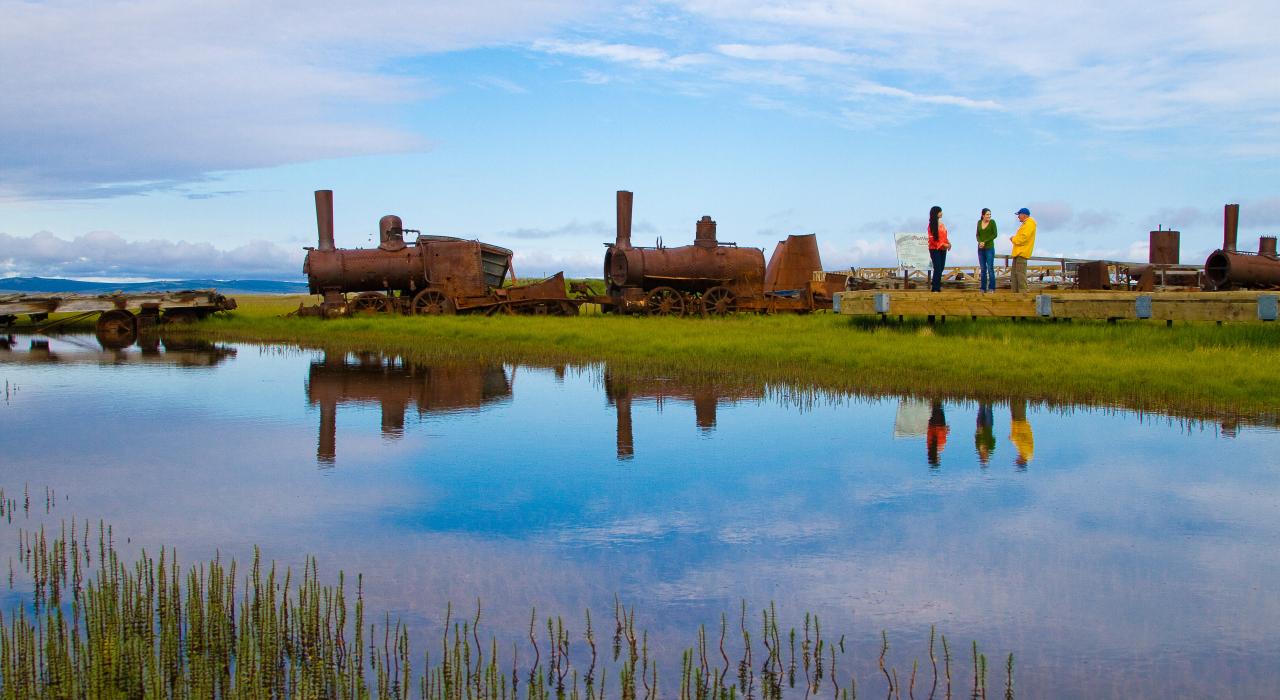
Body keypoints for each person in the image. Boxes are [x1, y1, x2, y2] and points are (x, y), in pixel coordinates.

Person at [1010, 207, 1037, 293]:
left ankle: (1023, 293)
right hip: (1018, 253)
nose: (1018, 217)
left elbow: (1023, 238)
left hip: (1022, 252)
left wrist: (1013, 239)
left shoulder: (1029, 224)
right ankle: (1015, 292)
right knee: (1015, 274)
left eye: (1019, 215)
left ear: (1024, 215)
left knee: (1020, 274)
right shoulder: (1026, 224)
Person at [927, 205, 951, 292]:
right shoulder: (931, 225)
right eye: (940, 211)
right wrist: (943, 244)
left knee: (941, 267)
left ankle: (936, 285)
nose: (942, 213)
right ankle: (935, 288)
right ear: (936, 213)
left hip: (943, 249)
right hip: (934, 249)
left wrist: (948, 243)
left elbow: (944, 236)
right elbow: (932, 239)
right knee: (937, 267)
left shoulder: (942, 224)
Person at [975, 208, 997, 293]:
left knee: (990, 268)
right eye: (987, 214)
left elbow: (994, 234)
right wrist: (980, 242)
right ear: (983, 215)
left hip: (989, 248)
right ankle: (983, 288)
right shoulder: (979, 222)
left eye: (990, 214)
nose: (989, 216)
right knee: (983, 268)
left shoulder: (992, 222)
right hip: (980, 248)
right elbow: (977, 235)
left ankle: (992, 287)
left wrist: (985, 241)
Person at [1009, 399, 1034, 468]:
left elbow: (1019, 440)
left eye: (1017, 460)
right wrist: (1013, 438)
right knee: (1017, 403)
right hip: (1020, 423)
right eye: (1018, 461)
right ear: (1022, 461)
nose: (1017, 458)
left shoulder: (1023, 452)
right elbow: (1021, 439)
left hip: (1018, 424)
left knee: (1014, 403)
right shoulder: (1026, 451)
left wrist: (1012, 438)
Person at [927, 400, 949, 467]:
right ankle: (936, 398)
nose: (939, 458)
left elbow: (932, 435)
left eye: (938, 459)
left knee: (937, 407)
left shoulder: (938, 447)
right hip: (936, 425)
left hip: (939, 425)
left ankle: (937, 398)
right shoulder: (931, 447)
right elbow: (930, 434)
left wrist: (946, 430)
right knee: (937, 407)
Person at [974, 401, 995, 466]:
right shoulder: (991, 449)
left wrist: (978, 431)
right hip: (988, 427)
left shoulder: (978, 447)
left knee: (981, 409)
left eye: (984, 458)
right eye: (985, 458)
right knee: (988, 409)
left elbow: (976, 437)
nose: (984, 456)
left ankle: (984, 399)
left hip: (980, 426)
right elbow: (993, 439)